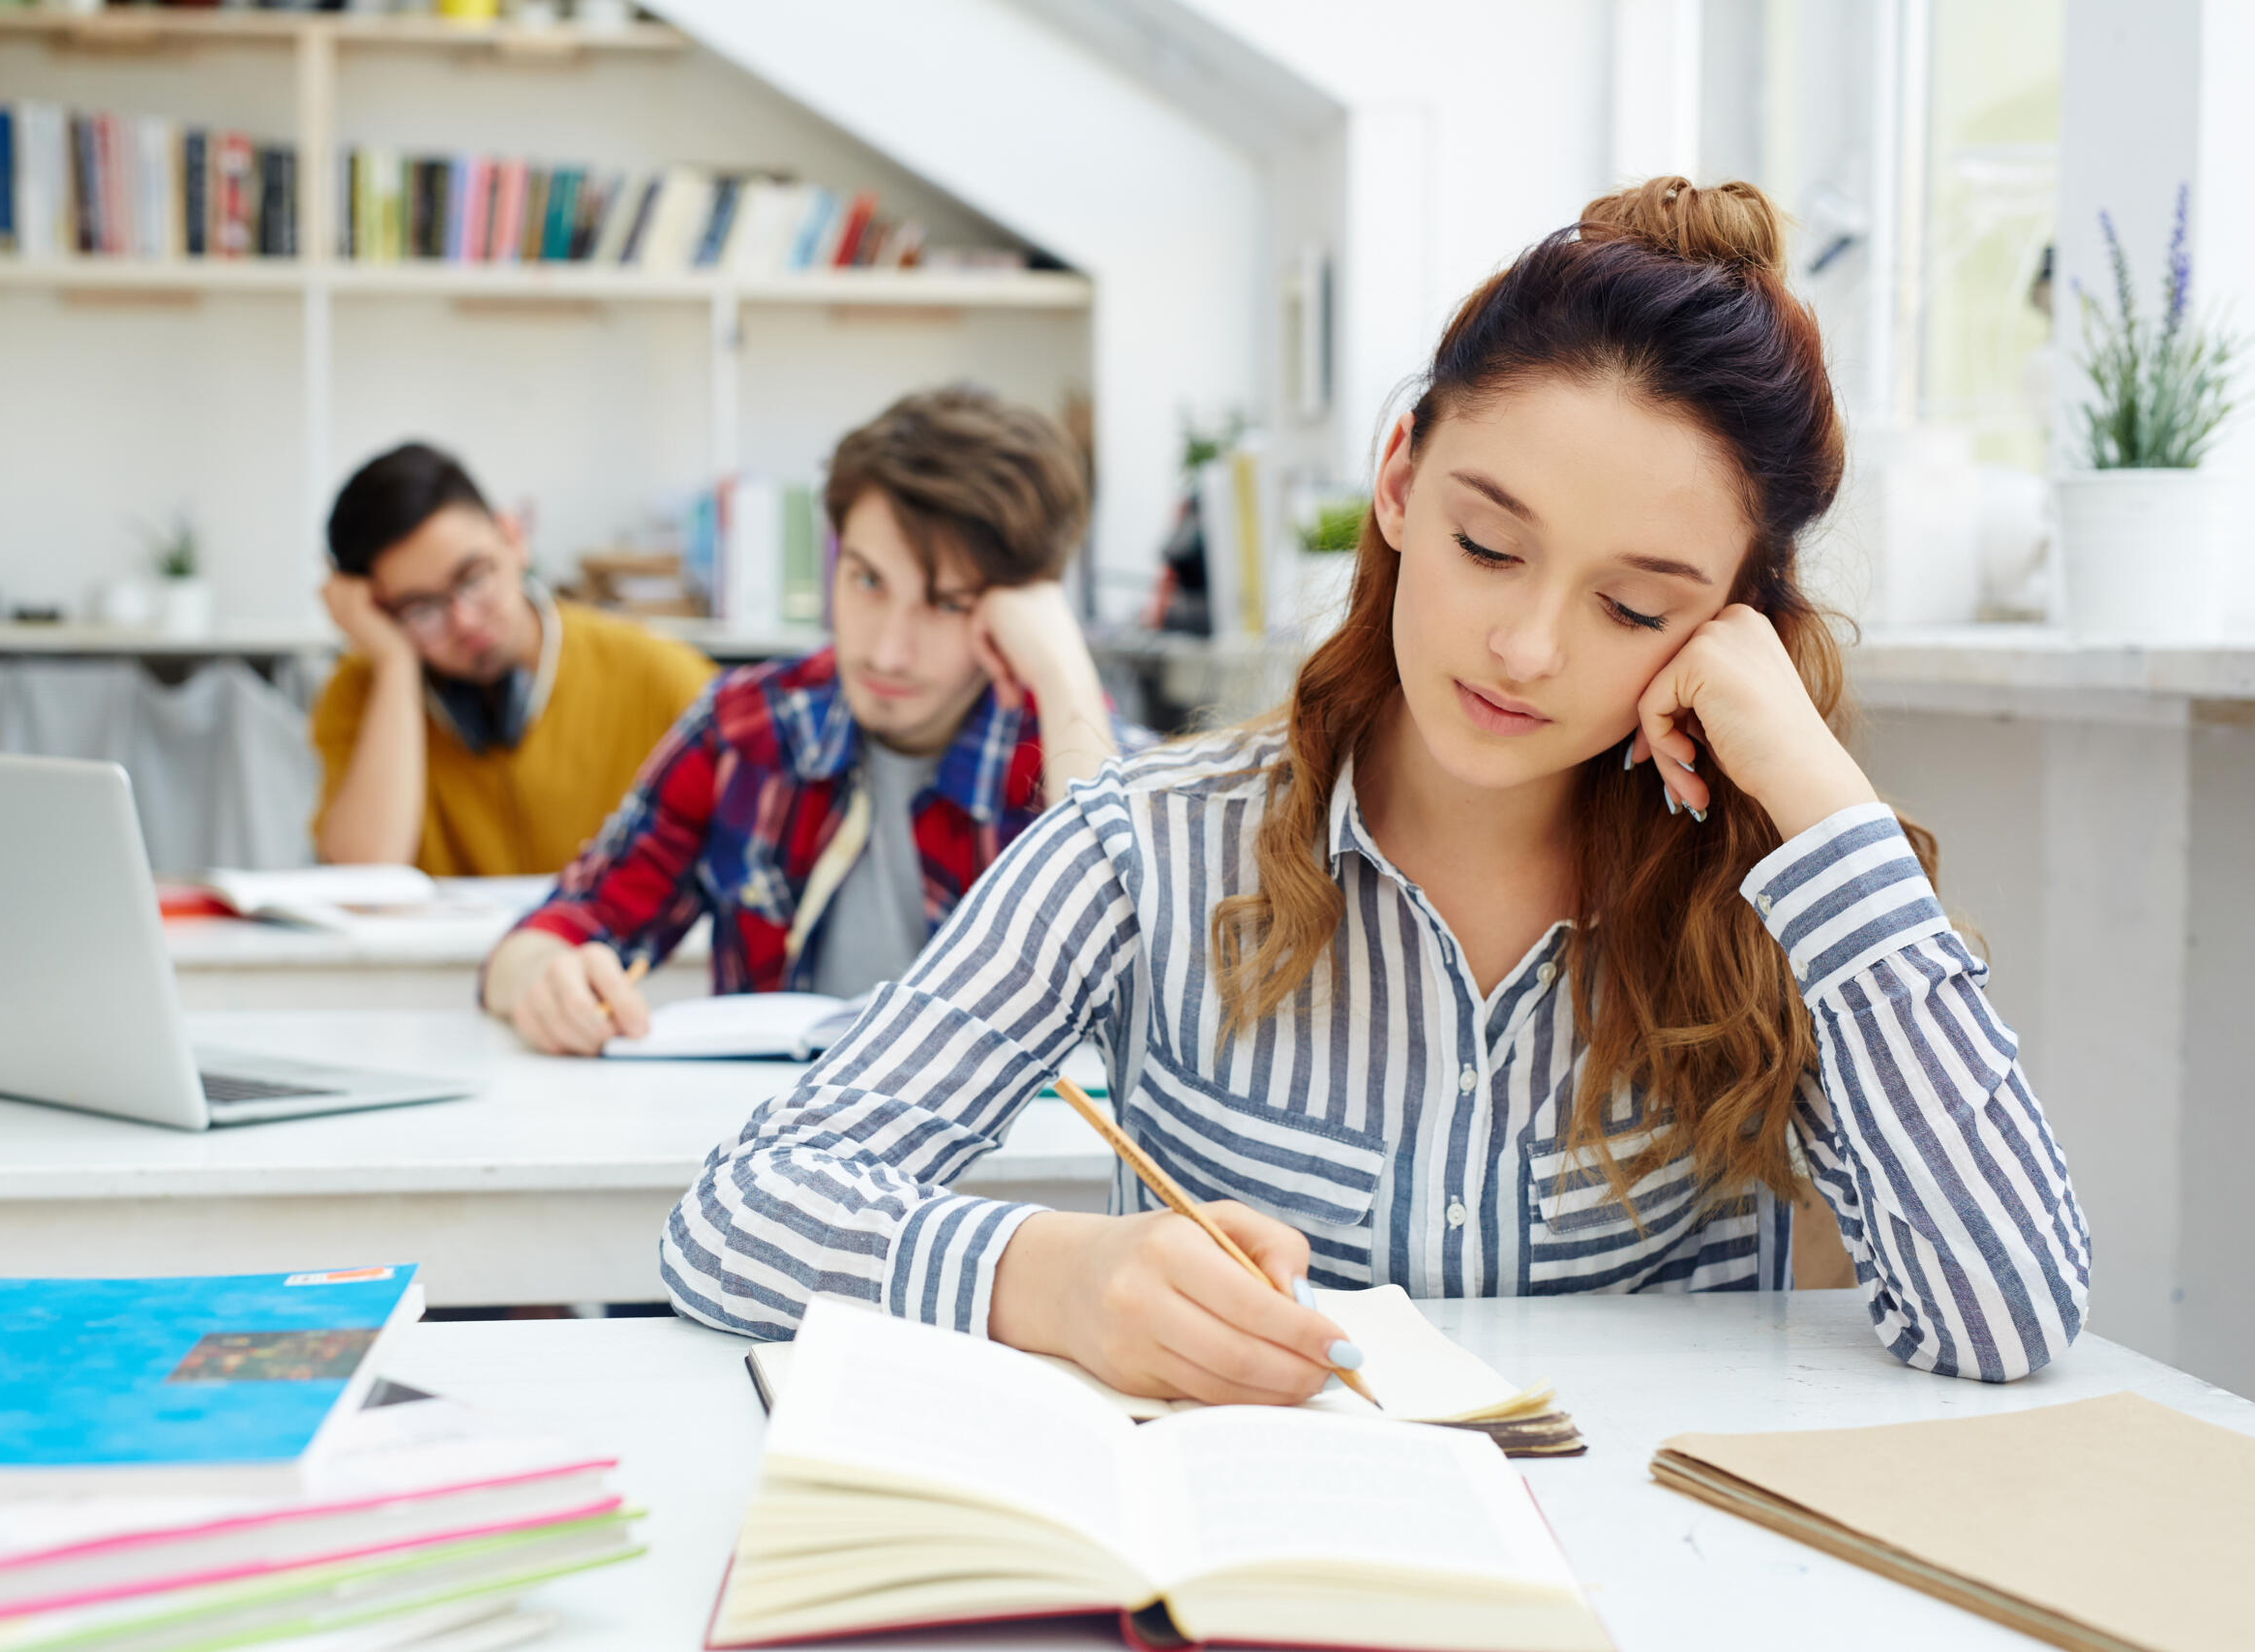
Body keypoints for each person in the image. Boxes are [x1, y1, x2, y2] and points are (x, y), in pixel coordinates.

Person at [660, 179, 2091, 1394]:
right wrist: (1053, 1276)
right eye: (1488, 545)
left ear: (1734, 627)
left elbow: (2009, 1316)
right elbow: (736, 1215)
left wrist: (1818, 795)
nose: (1527, 649)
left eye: (1636, 609)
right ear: (1401, 482)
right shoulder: (1142, 848)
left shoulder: (1768, 893)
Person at [483, 385, 1138, 1055]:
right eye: (867, 581)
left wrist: (1062, 670)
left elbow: (1138, 995)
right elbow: (541, 936)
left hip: (1013, 1160)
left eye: (945, 603)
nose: (887, 649)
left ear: (1023, 605)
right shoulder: (748, 727)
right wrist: (547, 979)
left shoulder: (1075, 739)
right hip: (773, 1151)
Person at [310, 443, 716, 877]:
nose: (463, 621)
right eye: (420, 609)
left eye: (472, 578)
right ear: (378, 611)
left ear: (513, 537)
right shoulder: (360, 693)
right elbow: (363, 881)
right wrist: (395, 665)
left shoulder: (662, 677)